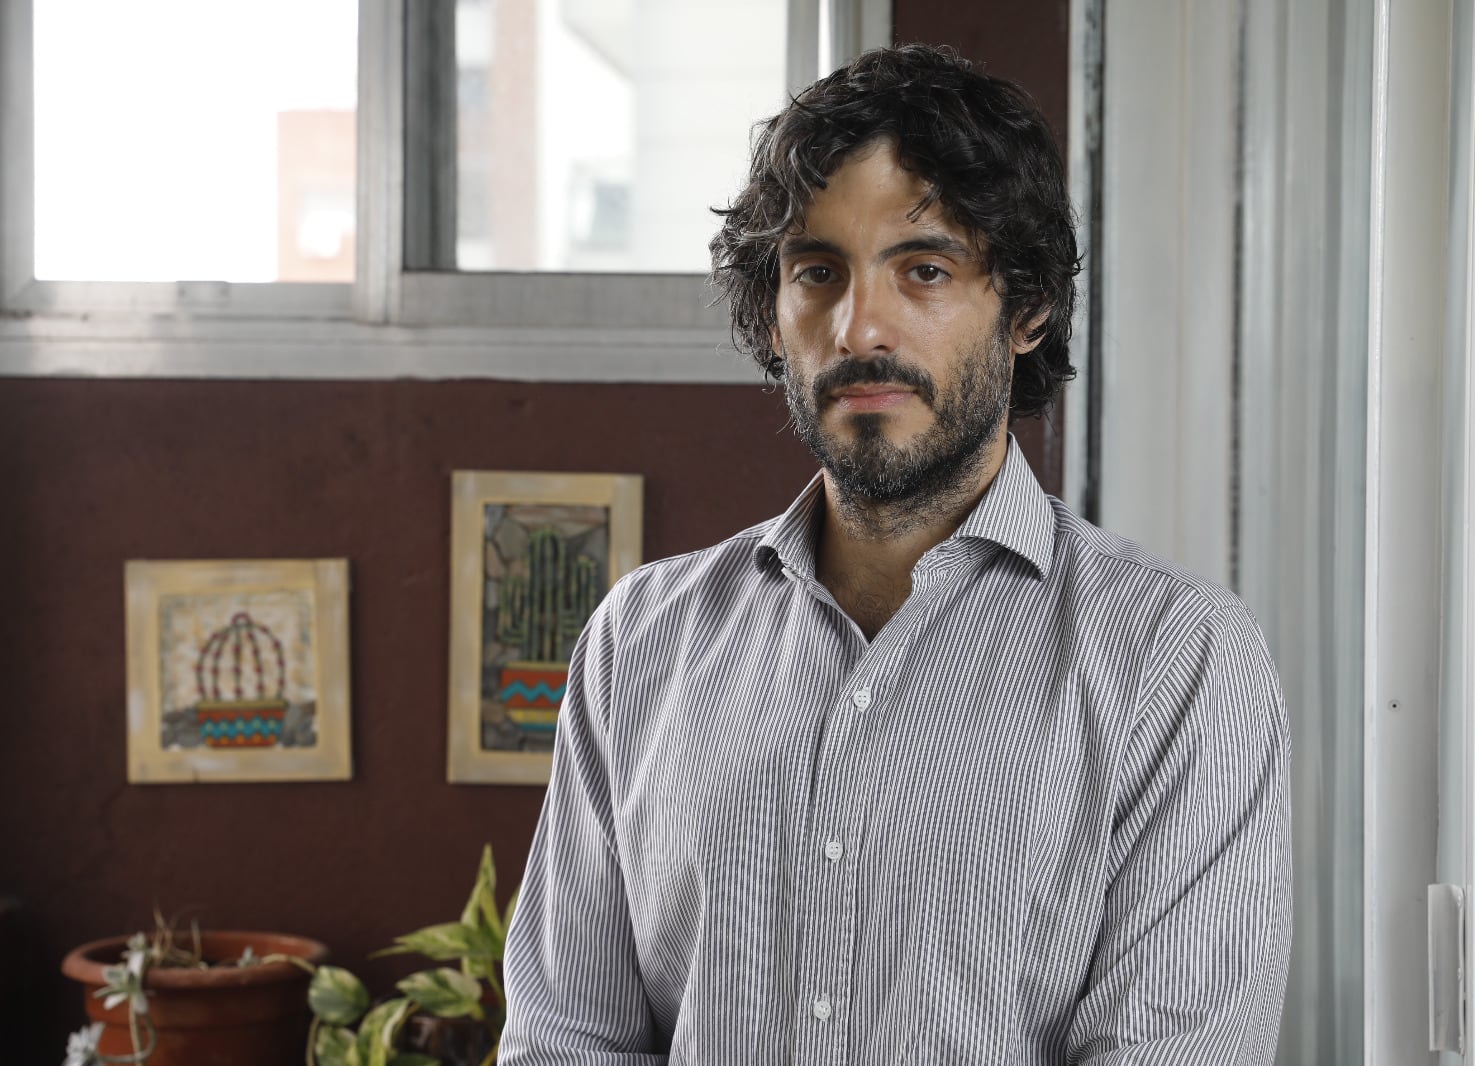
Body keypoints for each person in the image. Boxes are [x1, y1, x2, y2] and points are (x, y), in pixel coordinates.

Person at [501, 44, 1290, 1065]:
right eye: (816, 272)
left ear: (1027, 307)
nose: (860, 326)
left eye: (925, 269)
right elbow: (566, 1040)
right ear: (772, 314)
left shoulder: (1178, 660)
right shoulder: (641, 641)